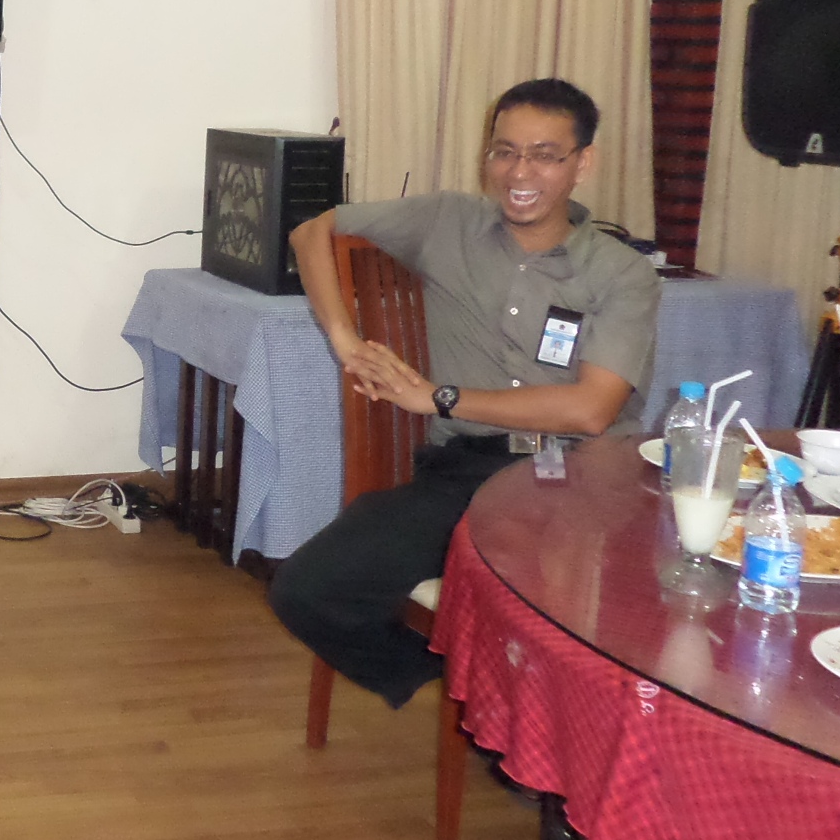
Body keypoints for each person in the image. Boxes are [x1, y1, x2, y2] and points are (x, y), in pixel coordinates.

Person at [267, 79, 660, 706]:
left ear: (583, 163)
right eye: (504, 152)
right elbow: (312, 232)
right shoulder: (447, 221)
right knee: (307, 588)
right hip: (466, 473)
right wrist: (345, 342)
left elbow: (592, 410)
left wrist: (439, 398)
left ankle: (542, 729)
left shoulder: (623, 274)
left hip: (582, 479)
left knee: (579, 610)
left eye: (544, 154)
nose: (519, 172)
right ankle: (474, 698)